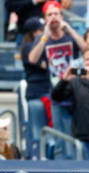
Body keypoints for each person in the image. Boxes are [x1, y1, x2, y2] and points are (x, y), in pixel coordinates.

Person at [28, 0, 86, 159]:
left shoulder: (70, 35)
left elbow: (87, 49)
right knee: (60, 134)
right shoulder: (43, 39)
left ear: (62, 16)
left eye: (56, 14)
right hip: (56, 93)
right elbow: (32, 58)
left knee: (77, 132)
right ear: (45, 19)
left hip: (76, 91)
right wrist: (45, 37)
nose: (53, 17)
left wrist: (71, 30)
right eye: (49, 15)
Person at [20, 17, 51, 158]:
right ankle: (36, 158)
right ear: (33, 33)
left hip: (49, 91)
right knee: (37, 132)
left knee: (50, 133)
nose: (43, 32)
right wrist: (44, 38)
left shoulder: (47, 45)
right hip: (36, 93)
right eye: (40, 30)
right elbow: (35, 59)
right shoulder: (28, 47)